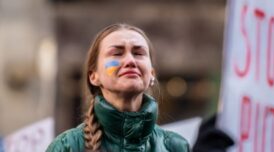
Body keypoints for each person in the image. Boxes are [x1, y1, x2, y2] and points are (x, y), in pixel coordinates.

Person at [46, 23, 189, 152]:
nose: (130, 61)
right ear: (94, 76)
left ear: (151, 74)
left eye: (139, 53)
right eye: (117, 53)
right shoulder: (67, 146)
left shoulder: (176, 146)